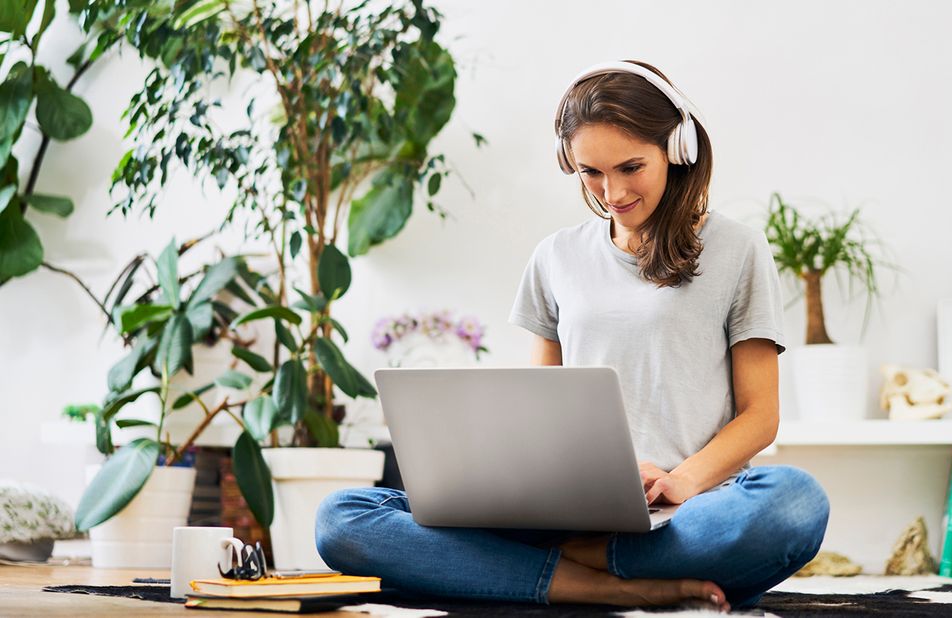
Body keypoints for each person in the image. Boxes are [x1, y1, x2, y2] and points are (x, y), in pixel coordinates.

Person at [316, 60, 830, 612]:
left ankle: (556, 568)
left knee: (795, 503)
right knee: (341, 518)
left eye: (631, 167)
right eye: (591, 173)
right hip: (562, 515)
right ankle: (596, 582)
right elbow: (543, 409)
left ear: (677, 149)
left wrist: (679, 483)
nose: (613, 192)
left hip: (686, 511)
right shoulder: (556, 256)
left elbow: (761, 415)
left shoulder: (738, 250)